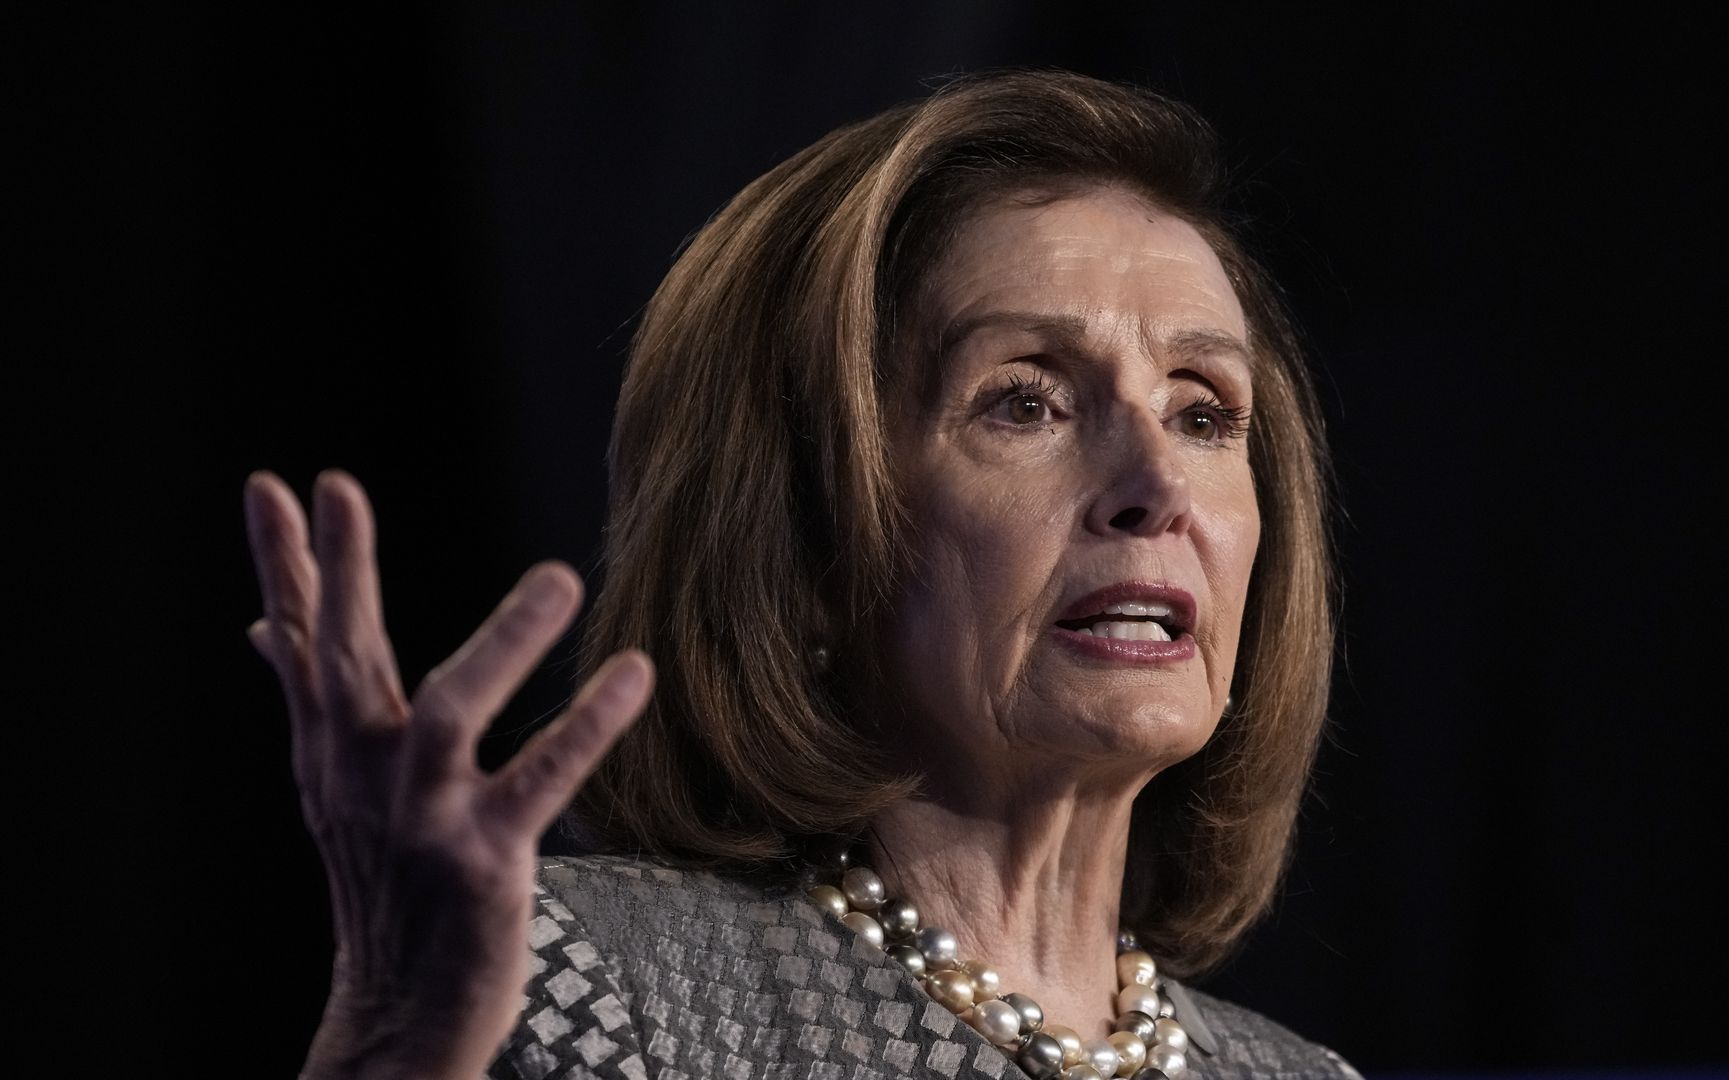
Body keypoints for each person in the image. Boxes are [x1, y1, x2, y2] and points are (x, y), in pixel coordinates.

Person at [245, 70, 1360, 1080]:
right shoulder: (588, 986)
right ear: (810, 534)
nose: (1155, 481)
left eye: (1204, 412)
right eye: (1025, 401)